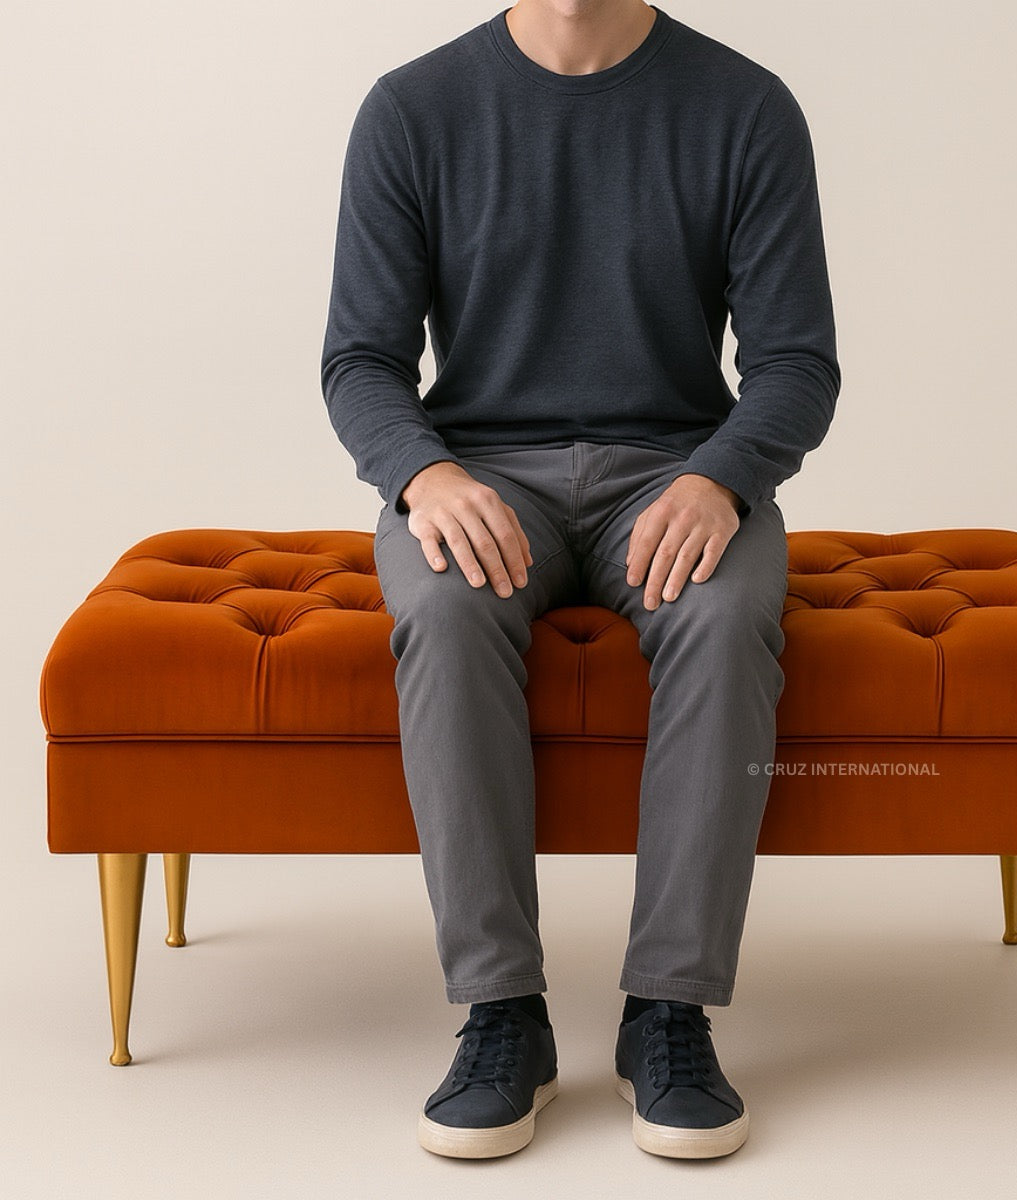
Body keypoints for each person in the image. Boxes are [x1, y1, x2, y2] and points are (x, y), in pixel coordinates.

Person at [320, 0, 839, 1160]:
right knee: (445, 613)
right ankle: (502, 1014)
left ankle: (671, 1010)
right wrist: (422, 475)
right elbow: (361, 357)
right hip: (479, 471)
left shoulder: (744, 107)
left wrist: (723, 479)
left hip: (676, 471)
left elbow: (796, 361)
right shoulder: (413, 110)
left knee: (730, 611)